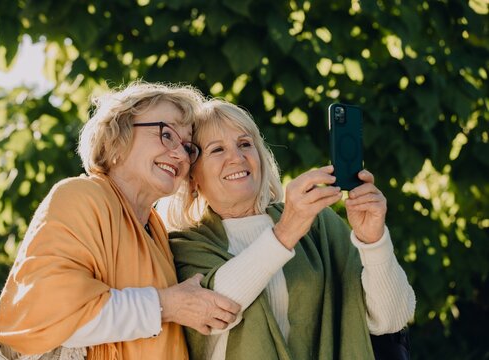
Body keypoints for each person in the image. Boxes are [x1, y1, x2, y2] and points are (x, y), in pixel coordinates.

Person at [0, 82, 241, 360]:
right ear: (118, 136)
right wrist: (168, 305)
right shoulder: (80, 195)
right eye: (166, 134)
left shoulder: (157, 230)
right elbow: (57, 315)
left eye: (188, 147)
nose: (179, 154)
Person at [168, 99, 416, 359]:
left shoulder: (319, 224)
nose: (237, 158)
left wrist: (373, 241)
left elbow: (391, 319)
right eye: (217, 150)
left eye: (245, 144)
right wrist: (286, 232)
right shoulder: (186, 245)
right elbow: (216, 308)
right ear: (193, 178)